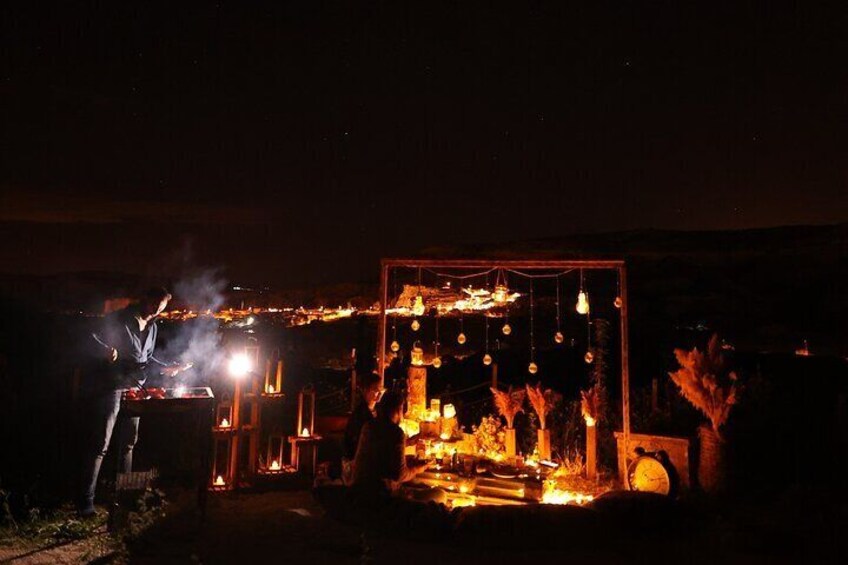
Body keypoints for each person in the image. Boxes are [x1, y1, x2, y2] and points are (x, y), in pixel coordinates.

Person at [78, 287, 191, 516]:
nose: (156, 312)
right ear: (146, 299)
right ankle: (85, 503)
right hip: (110, 386)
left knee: (128, 444)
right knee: (101, 444)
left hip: (134, 389)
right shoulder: (119, 319)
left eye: (161, 309)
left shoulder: (153, 328)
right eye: (154, 305)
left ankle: (123, 499)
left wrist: (167, 368)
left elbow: (146, 360)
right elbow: (89, 336)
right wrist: (103, 351)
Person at [352, 391, 428, 492]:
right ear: (399, 409)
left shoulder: (369, 426)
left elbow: (381, 452)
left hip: (357, 487)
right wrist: (417, 469)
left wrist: (407, 445)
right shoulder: (396, 432)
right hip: (377, 495)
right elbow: (399, 475)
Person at [341, 372, 382, 484]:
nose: (379, 393)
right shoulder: (360, 415)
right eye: (375, 390)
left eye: (380, 390)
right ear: (365, 390)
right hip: (360, 463)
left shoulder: (378, 411)